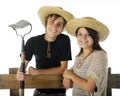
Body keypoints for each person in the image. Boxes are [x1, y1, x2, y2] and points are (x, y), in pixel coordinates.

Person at [16, 6, 74, 96]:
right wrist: (20, 73)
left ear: (62, 27)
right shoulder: (32, 41)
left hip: (59, 92)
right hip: (39, 92)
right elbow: (23, 65)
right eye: (52, 22)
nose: (55, 27)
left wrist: (38, 72)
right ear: (46, 23)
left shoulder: (64, 40)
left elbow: (63, 69)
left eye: (59, 24)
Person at [63, 17, 109, 96]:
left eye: (88, 34)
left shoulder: (99, 56)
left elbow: (89, 87)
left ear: (95, 37)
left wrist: (70, 75)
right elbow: (74, 70)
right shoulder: (79, 57)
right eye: (80, 34)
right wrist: (67, 74)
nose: (83, 38)